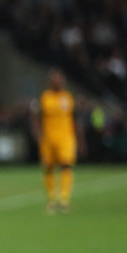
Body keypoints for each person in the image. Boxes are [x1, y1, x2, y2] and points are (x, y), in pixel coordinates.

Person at [32, 70, 77, 213]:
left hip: (66, 137)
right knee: (49, 167)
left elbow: (75, 119)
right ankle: (51, 199)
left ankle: (64, 199)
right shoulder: (44, 98)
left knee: (66, 165)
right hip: (48, 138)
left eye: (61, 80)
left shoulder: (68, 98)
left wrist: (80, 139)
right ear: (51, 82)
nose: (60, 82)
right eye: (57, 80)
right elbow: (35, 118)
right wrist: (38, 135)